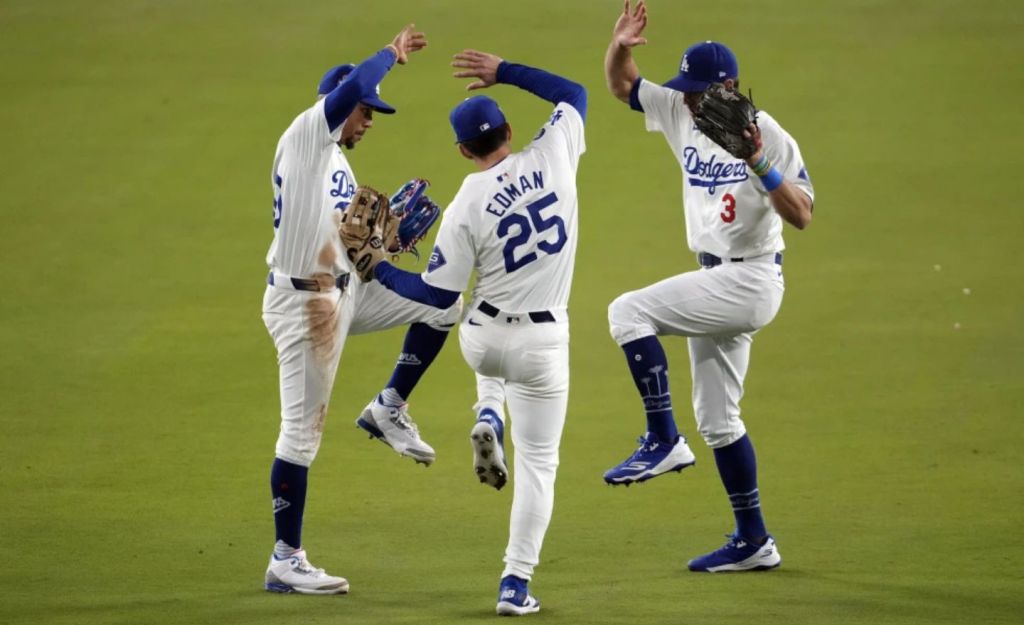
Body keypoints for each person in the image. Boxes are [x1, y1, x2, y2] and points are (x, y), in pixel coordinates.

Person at [370, 49, 586, 616]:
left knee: (465, 308)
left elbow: (436, 297)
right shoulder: (555, 153)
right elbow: (575, 94)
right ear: (511, 131)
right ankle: (515, 583)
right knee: (539, 466)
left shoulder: (466, 201)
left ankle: (489, 411)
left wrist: (378, 266)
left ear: (463, 151)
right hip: (544, 349)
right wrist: (507, 70)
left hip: (483, 342)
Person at [602, 0, 814, 573]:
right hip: (714, 275)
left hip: (751, 277)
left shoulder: (770, 135)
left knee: (627, 312)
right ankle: (754, 540)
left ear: (730, 87)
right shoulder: (680, 110)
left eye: (700, 91)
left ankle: (661, 438)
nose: (691, 99)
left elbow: (801, 215)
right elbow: (625, 87)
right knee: (721, 422)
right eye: (687, 90)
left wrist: (759, 161)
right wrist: (620, 45)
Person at [261, 24, 463, 594]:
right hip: (304, 307)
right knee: (300, 437)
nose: (369, 120)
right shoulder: (305, 136)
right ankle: (285, 558)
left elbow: (349, 242)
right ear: (338, 107)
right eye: (364, 111)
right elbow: (355, 91)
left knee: (443, 304)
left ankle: (388, 408)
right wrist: (390, 55)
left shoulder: (338, 163)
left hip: (343, 290)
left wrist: (385, 245)